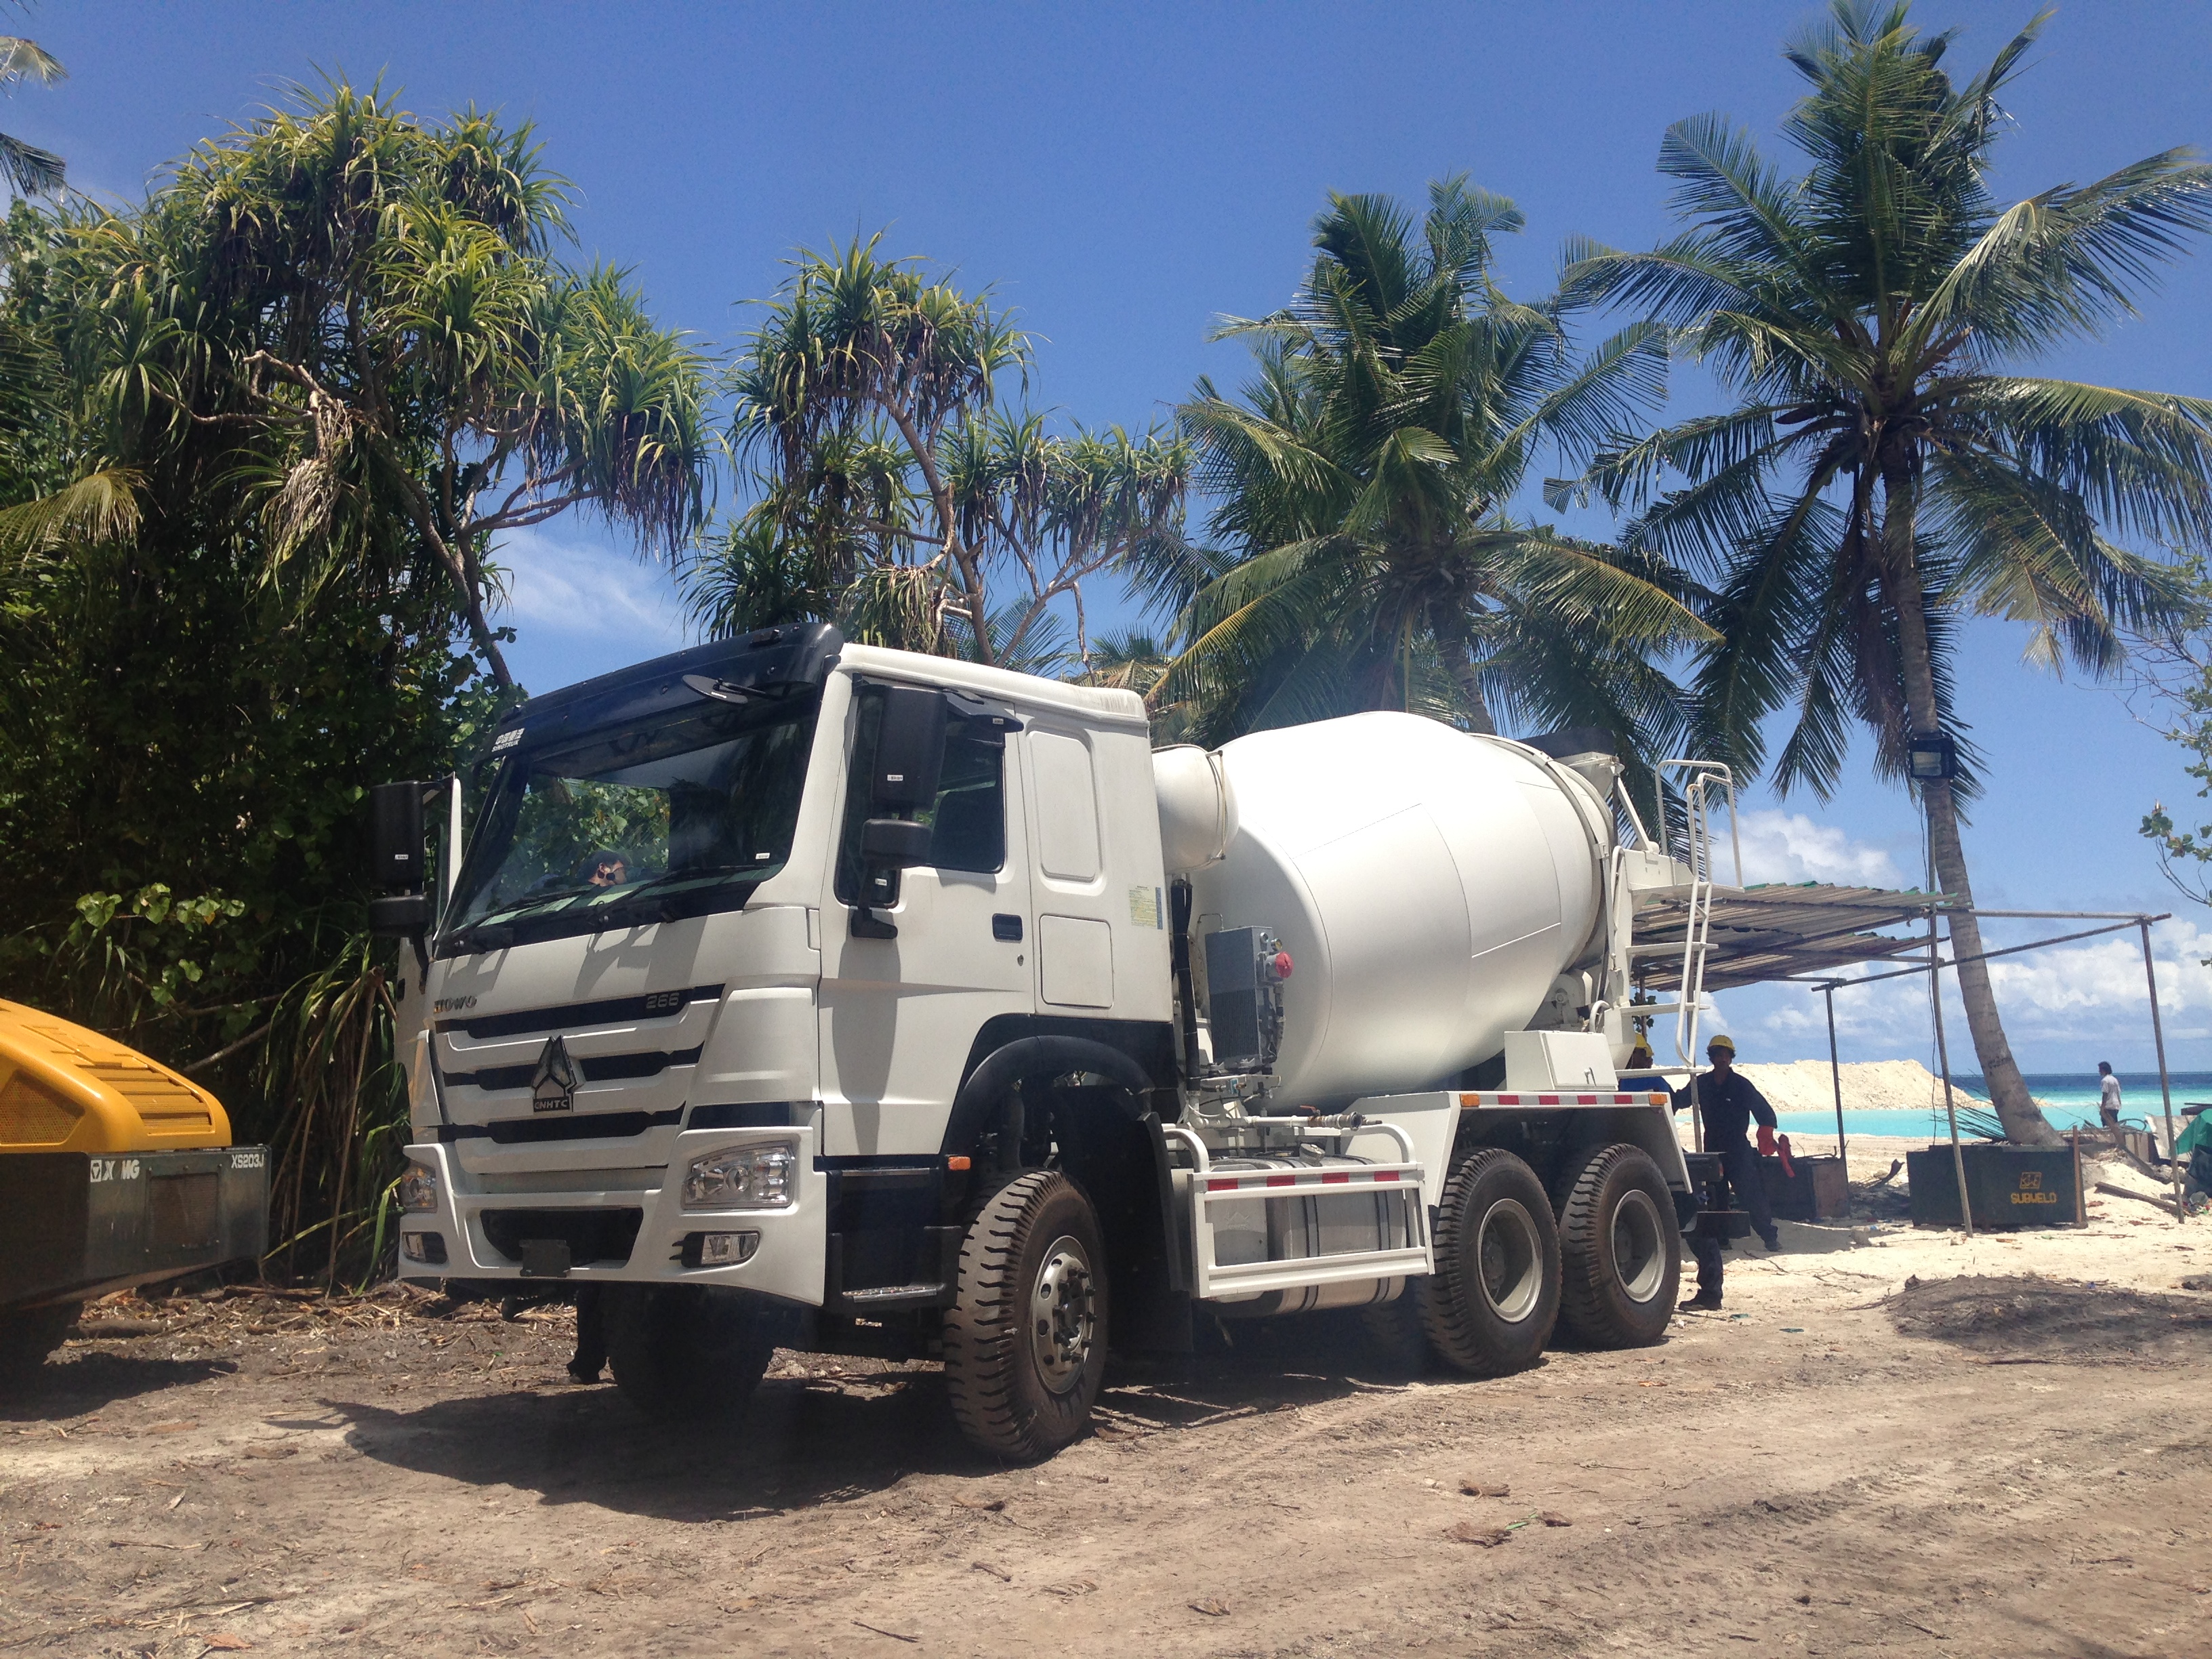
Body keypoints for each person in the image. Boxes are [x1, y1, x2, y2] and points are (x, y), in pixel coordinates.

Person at [1674, 1033, 1780, 1312]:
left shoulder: (1741, 1085)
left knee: (1750, 1194)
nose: (1721, 1059)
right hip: (1713, 1149)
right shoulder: (1703, 1084)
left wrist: (1766, 1131)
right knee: (1715, 1198)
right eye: (1717, 1054)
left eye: (1726, 1055)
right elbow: (1679, 1100)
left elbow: (1764, 1111)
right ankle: (1723, 1240)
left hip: (1738, 1149)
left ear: (1731, 1058)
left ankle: (1770, 1237)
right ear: (1711, 1058)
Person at [2098, 1061, 2123, 1130]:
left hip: (2109, 1106)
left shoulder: (2105, 1080)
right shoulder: (2115, 1079)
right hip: (2116, 1105)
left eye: (2100, 1069)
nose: (2099, 1071)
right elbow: (2118, 1092)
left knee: (2107, 1126)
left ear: (2103, 1070)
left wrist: (2102, 1108)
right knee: (2114, 1126)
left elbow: (2105, 1094)